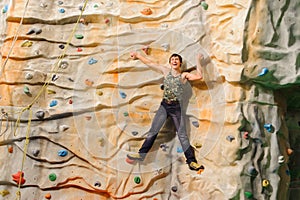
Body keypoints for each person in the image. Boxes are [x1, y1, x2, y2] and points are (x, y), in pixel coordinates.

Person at [127, 51, 205, 171]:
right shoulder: (165, 71)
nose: (174, 60)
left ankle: (192, 162)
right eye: (172, 59)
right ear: (169, 62)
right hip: (164, 106)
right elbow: (150, 63)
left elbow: (199, 77)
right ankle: (141, 154)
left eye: (177, 59)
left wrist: (198, 60)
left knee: (182, 135)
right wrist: (138, 56)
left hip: (176, 108)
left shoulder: (184, 75)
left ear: (180, 63)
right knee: (153, 131)